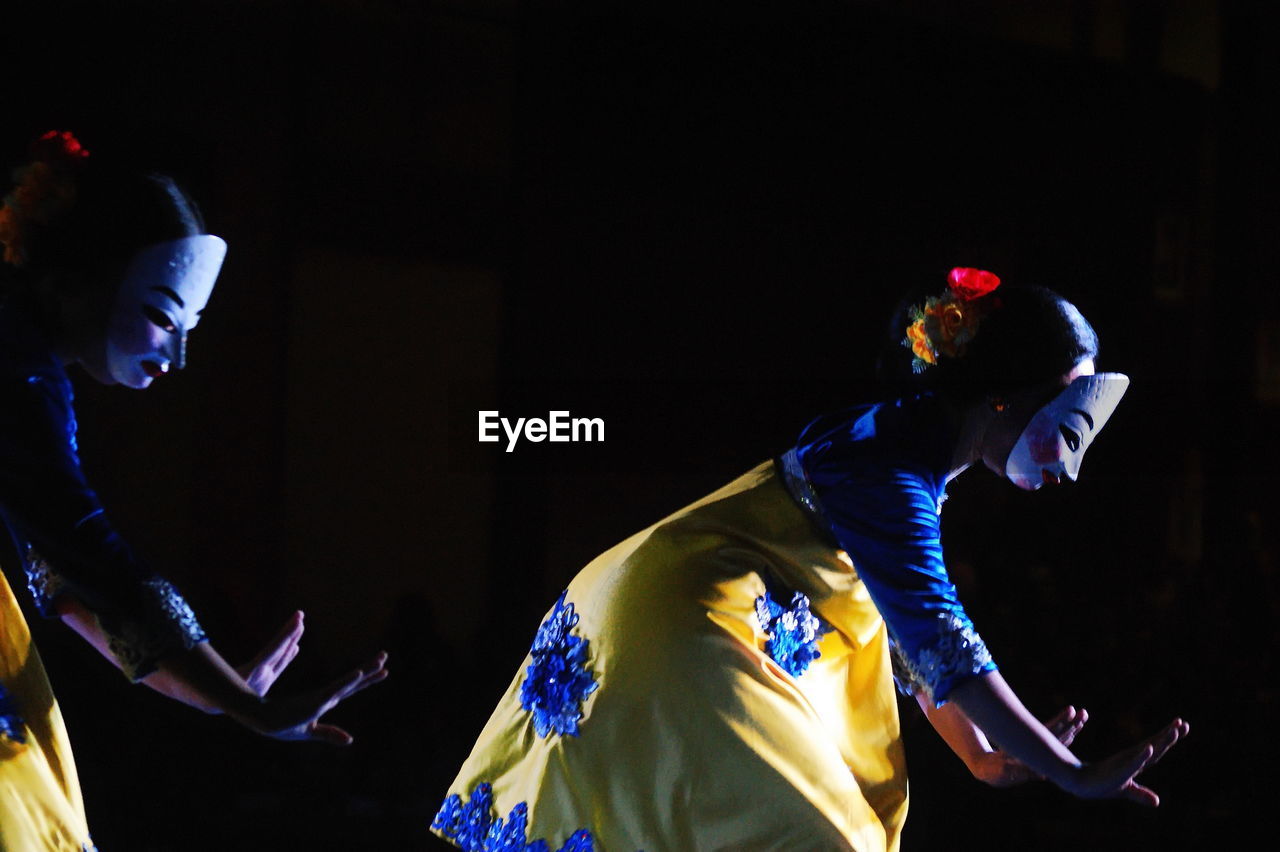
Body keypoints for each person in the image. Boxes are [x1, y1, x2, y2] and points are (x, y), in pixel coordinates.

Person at [431, 267, 1188, 851]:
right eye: (1065, 413)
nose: (1069, 457)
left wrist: (981, 758)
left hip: (677, 606)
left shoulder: (907, 449)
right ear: (1001, 397)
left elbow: (911, 635)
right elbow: (941, 638)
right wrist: (1073, 773)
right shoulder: (891, 469)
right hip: (696, 627)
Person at [0, 131, 387, 852]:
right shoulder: (16, 371)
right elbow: (86, 549)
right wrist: (235, 699)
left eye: (191, 326)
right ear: (79, 280)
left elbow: (61, 583)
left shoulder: (31, 370)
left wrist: (219, 695)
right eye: (160, 313)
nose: (175, 353)